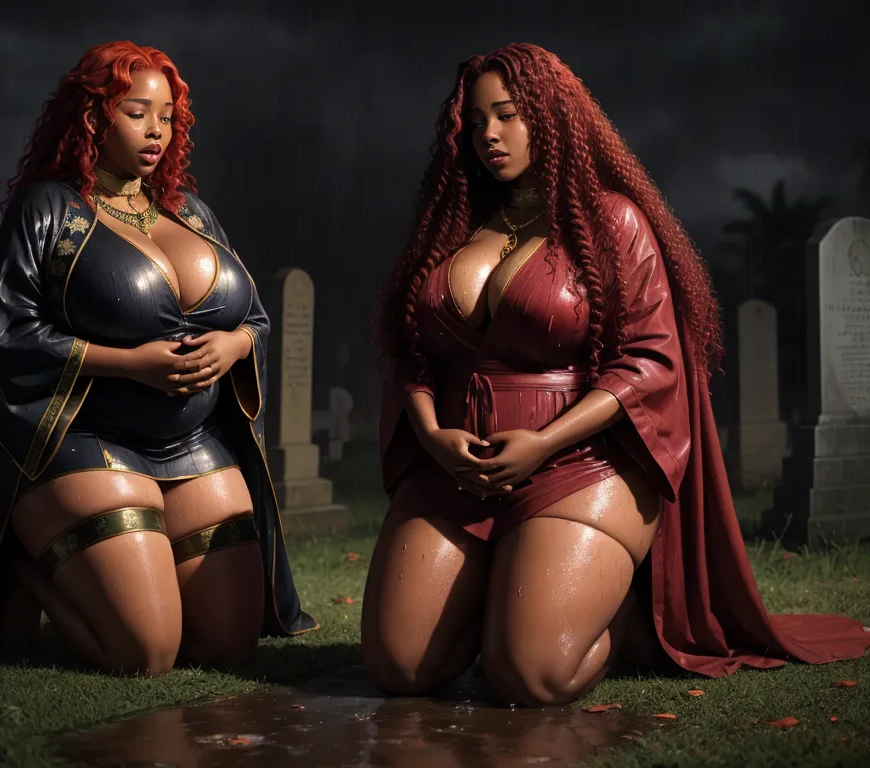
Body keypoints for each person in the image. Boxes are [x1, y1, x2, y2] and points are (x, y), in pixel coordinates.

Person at [364, 42, 869, 707]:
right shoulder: (452, 229)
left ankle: (624, 619)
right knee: (398, 666)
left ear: (550, 116)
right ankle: (511, 596)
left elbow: (650, 359)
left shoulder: (612, 222)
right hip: (454, 469)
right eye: (476, 119)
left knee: (532, 675)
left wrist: (545, 442)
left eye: (509, 114)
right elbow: (412, 354)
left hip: (579, 463)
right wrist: (431, 437)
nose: (489, 133)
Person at [0, 41, 317, 675]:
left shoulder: (192, 212)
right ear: (93, 117)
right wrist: (131, 364)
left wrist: (235, 343)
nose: (156, 129)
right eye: (137, 112)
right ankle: (23, 574)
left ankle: (96, 571)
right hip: (87, 444)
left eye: (167, 116)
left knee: (226, 646)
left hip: (193, 446)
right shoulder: (49, 209)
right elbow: (7, 338)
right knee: (145, 652)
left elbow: (255, 319)